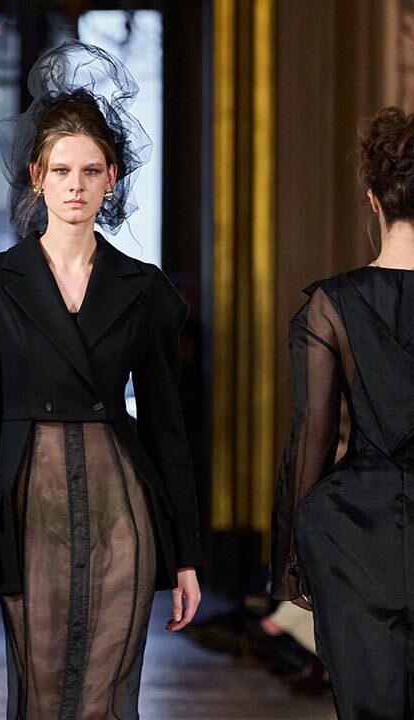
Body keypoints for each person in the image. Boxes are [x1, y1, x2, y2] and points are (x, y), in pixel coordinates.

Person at [0, 40, 202, 718]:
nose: (75, 185)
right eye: (61, 170)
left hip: (123, 507)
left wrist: (184, 555)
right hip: (28, 505)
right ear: (37, 176)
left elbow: (167, 427)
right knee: (39, 695)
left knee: (109, 697)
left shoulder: (143, 290)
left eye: (90, 170)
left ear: (113, 177)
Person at [272, 105, 414, 718]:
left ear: (372, 199)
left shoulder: (332, 305)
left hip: (358, 536)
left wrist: (293, 554)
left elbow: (314, 434)